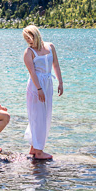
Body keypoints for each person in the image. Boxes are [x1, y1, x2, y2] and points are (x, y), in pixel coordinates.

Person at [22, 24, 63, 160]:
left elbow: (55, 65)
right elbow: (32, 72)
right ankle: (39, 152)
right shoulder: (28, 52)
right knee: (37, 116)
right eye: (26, 39)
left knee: (46, 115)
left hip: (48, 83)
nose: (28, 41)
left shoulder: (50, 46)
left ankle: (34, 147)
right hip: (36, 85)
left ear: (36, 34)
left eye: (30, 38)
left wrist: (60, 82)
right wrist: (39, 89)